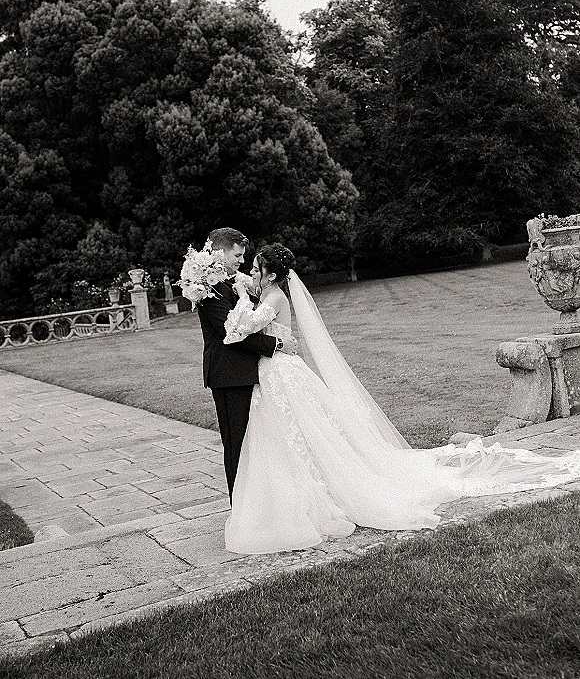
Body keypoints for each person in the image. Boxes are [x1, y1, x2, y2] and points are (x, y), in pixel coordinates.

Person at [222, 243, 580, 555]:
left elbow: (239, 330)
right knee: (289, 435)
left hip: (282, 373)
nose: (251, 273)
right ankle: (293, 496)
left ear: (270, 275)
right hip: (276, 373)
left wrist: (237, 297)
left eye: (256, 269)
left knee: (302, 433)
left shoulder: (270, 298)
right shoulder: (269, 294)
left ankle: (313, 497)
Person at [196, 228, 296, 502]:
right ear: (220, 251)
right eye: (238, 255)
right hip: (229, 375)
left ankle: (262, 504)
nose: (242, 261)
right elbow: (233, 335)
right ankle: (240, 508)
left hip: (250, 372)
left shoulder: (229, 281)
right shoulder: (208, 288)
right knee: (237, 444)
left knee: (258, 442)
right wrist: (276, 345)